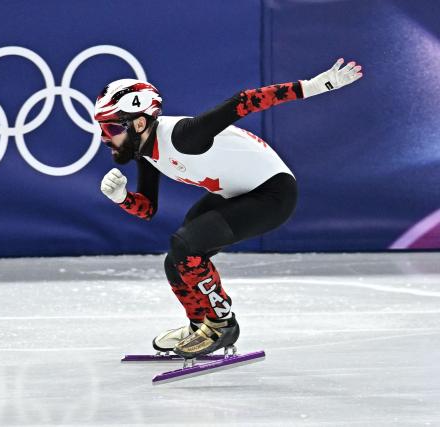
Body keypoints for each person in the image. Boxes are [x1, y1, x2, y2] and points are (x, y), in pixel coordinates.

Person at [94, 58, 363, 359]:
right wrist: (121, 197)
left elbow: (243, 102)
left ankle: (222, 324)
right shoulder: (145, 151)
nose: (105, 137)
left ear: (139, 122)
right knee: (176, 261)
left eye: (111, 127)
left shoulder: (183, 136)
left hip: (272, 194)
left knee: (186, 244)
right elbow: (146, 209)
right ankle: (200, 325)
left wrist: (313, 86)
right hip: (236, 193)